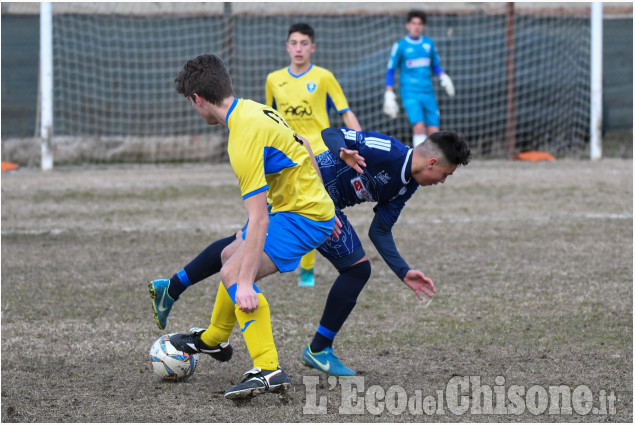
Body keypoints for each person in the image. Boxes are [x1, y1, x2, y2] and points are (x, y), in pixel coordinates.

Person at [160, 53, 336, 399]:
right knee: (229, 256)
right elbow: (302, 143)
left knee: (235, 276)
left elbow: (259, 219)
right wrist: (325, 199)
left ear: (197, 99)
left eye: (191, 104)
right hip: (305, 208)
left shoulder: (241, 137)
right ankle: (212, 340)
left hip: (302, 216)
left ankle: (268, 369)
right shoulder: (253, 109)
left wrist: (244, 284)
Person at [301, 127, 471, 376]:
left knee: (250, 247)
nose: (443, 181)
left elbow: (379, 230)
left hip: (324, 207)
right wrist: (342, 152)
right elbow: (330, 131)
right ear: (432, 163)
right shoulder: (386, 149)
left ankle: (318, 348)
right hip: (304, 189)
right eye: (445, 174)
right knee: (355, 269)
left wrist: (404, 271)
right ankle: (318, 349)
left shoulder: (407, 186)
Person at [266, 22, 362, 288]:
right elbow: (270, 118)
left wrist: (362, 142)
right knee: (284, 209)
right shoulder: (274, 80)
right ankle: (276, 258)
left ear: (313, 47)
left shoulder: (324, 77)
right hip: (288, 156)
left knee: (314, 211)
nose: (299, 48)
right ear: (287, 47)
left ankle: (307, 270)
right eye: (294, 43)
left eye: (304, 43)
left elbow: (345, 111)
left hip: (321, 156)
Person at [383, 10, 456, 148]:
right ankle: (419, 160)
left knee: (434, 130)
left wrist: (443, 76)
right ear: (407, 25)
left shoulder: (429, 44)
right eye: (413, 23)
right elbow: (391, 70)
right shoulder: (400, 46)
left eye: (419, 24)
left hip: (428, 92)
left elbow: (435, 66)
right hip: (410, 92)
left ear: (423, 26)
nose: (416, 27)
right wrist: (389, 92)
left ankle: (433, 161)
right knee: (419, 125)